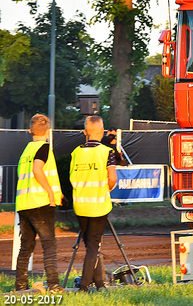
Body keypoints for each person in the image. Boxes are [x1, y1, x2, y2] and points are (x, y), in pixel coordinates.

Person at [15, 114, 63, 293]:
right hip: (40, 203)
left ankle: (20, 285)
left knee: (26, 246)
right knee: (49, 244)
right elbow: (37, 170)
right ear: (48, 131)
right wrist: (51, 192)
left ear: (29, 131)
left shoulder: (26, 150)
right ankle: (53, 284)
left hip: (24, 204)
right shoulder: (44, 148)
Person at [69, 116, 117, 292]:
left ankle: (100, 284)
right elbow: (112, 178)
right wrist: (106, 190)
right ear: (103, 131)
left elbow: (72, 178)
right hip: (98, 205)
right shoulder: (106, 152)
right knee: (93, 247)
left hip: (80, 205)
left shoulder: (76, 152)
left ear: (85, 132)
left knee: (90, 246)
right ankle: (83, 287)